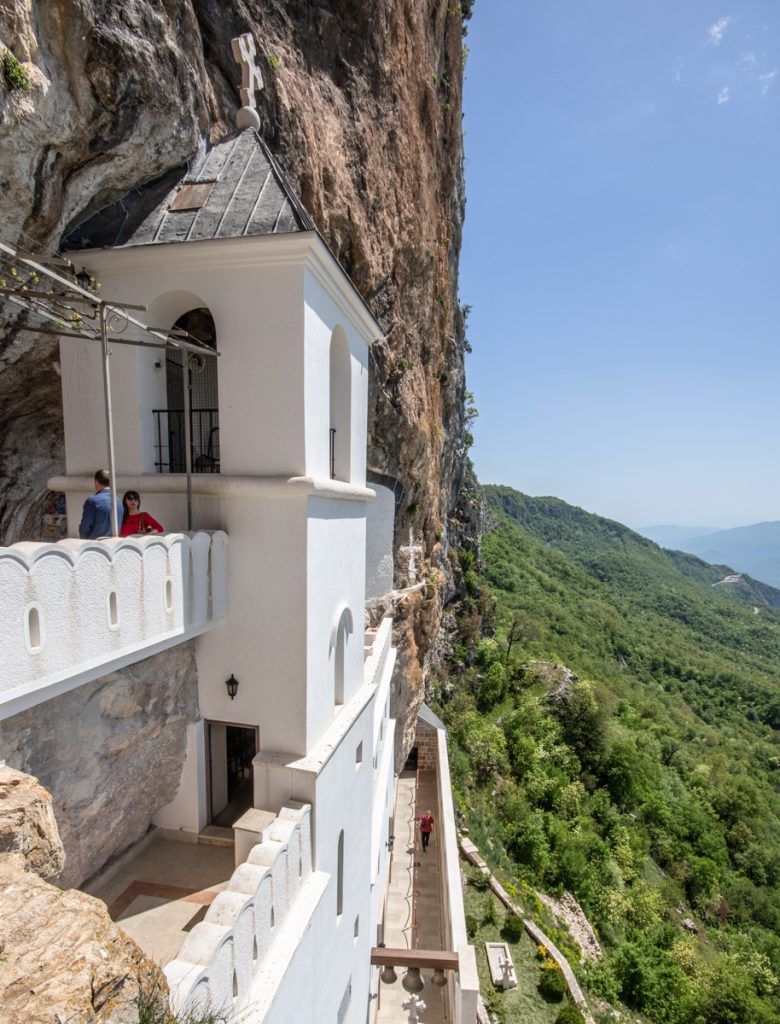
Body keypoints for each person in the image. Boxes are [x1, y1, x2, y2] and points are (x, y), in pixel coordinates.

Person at [79, 469, 122, 539]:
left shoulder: (92, 501)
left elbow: (85, 527)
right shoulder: (118, 501)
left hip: (96, 545)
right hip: (113, 543)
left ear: (96, 482)